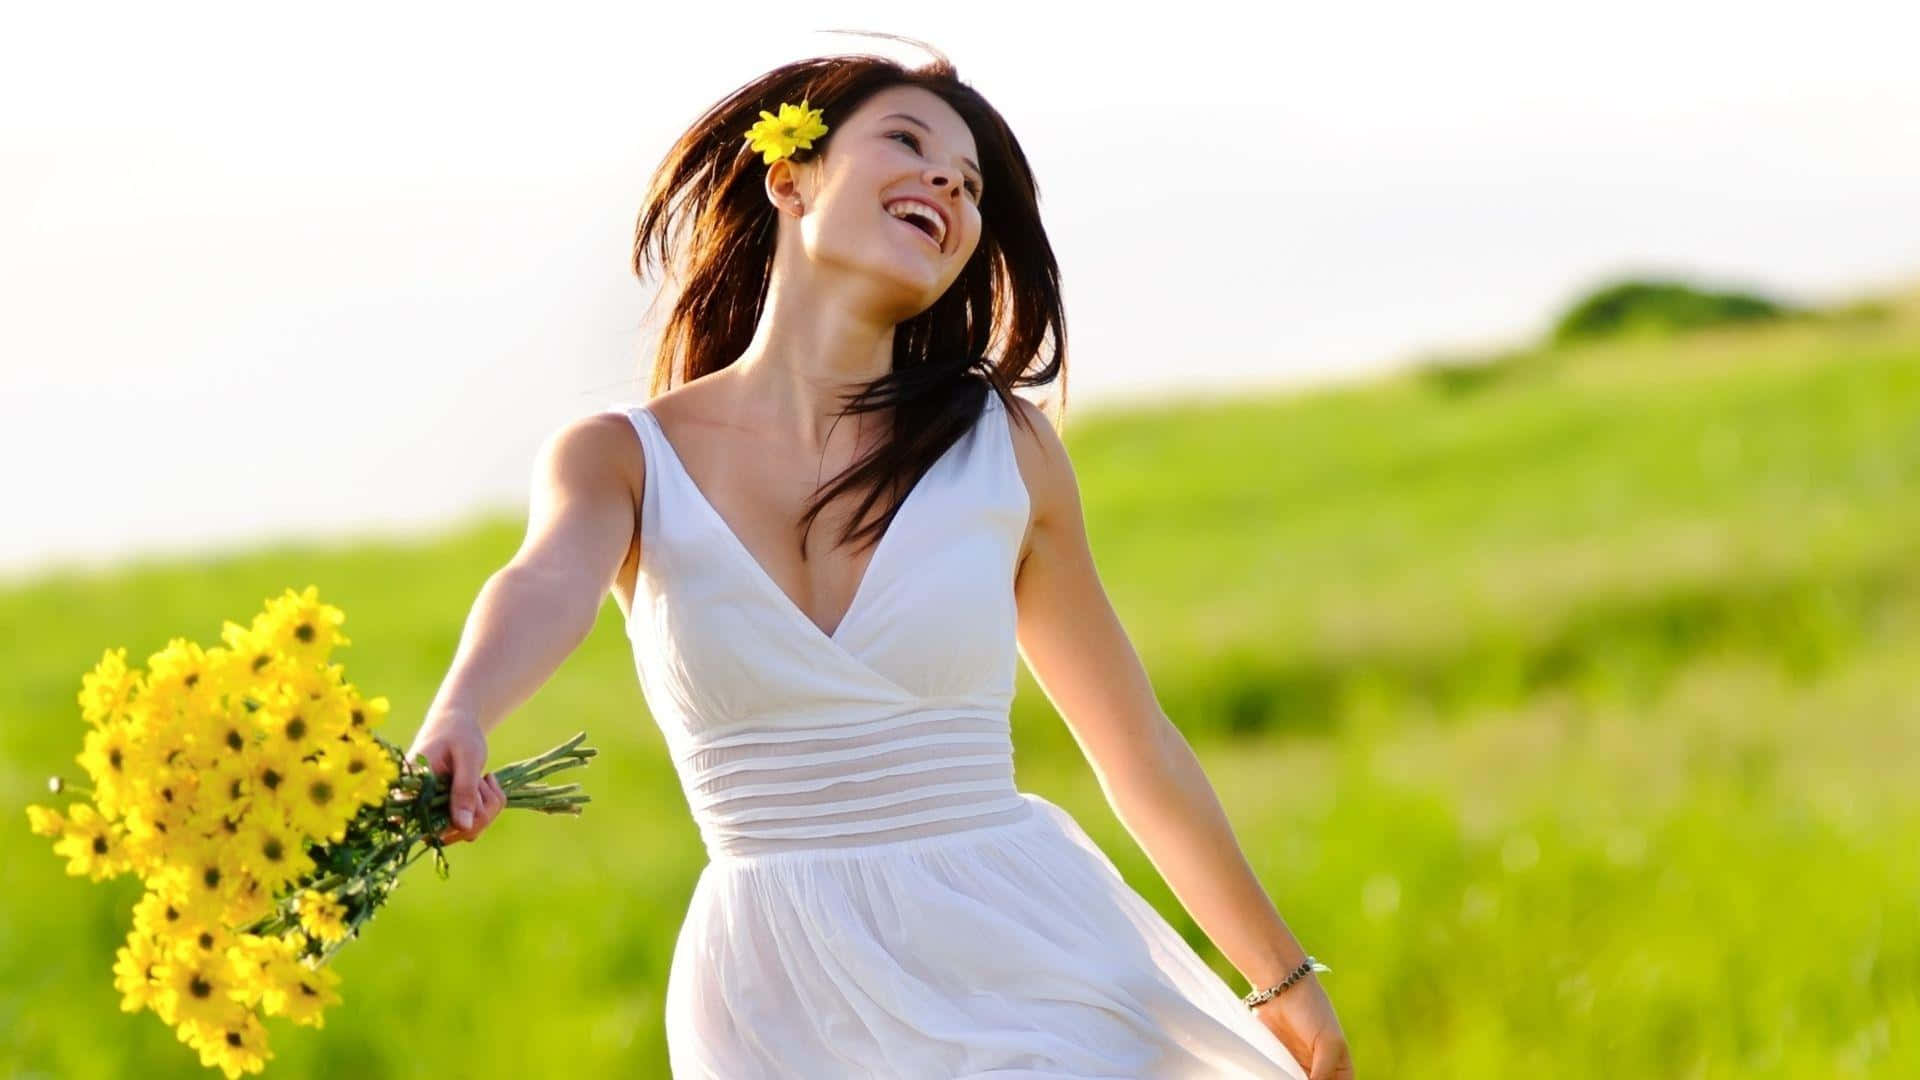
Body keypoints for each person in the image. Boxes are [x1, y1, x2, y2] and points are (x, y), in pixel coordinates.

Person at [405, 36, 1354, 1080]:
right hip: (770, 998)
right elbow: (543, 583)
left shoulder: (1006, 452)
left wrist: (1280, 979)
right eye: (907, 141)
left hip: (1022, 962)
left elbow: (1136, 748)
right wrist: (463, 710)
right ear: (789, 176)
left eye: (971, 184)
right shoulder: (623, 459)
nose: (946, 180)